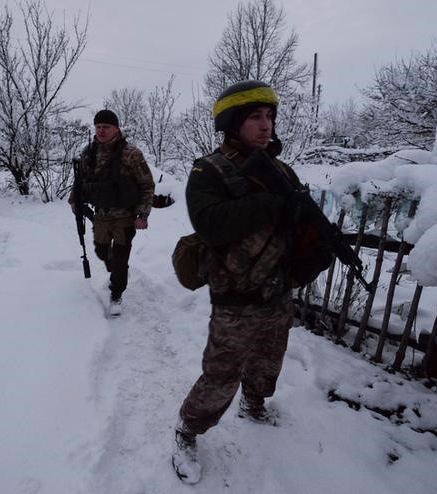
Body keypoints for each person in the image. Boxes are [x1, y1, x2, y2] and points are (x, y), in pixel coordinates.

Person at [172, 81, 298, 484]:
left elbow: (296, 225)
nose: (266, 125)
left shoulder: (281, 168)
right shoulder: (207, 170)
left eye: (270, 116)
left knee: (269, 359)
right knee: (222, 372)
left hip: (277, 289)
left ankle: (255, 404)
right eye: (255, 117)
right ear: (232, 123)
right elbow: (210, 224)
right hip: (236, 295)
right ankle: (188, 430)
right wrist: (271, 202)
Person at [69, 109, 155, 316]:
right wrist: (74, 199)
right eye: (98, 127)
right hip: (100, 214)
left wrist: (142, 214)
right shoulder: (88, 152)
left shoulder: (131, 154)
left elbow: (147, 185)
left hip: (125, 216)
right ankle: (115, 273)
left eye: (106, 127)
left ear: (116, 128)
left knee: (120, 257)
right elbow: (80, 181)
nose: (101, 131)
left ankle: (116, 293)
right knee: (101, 251)